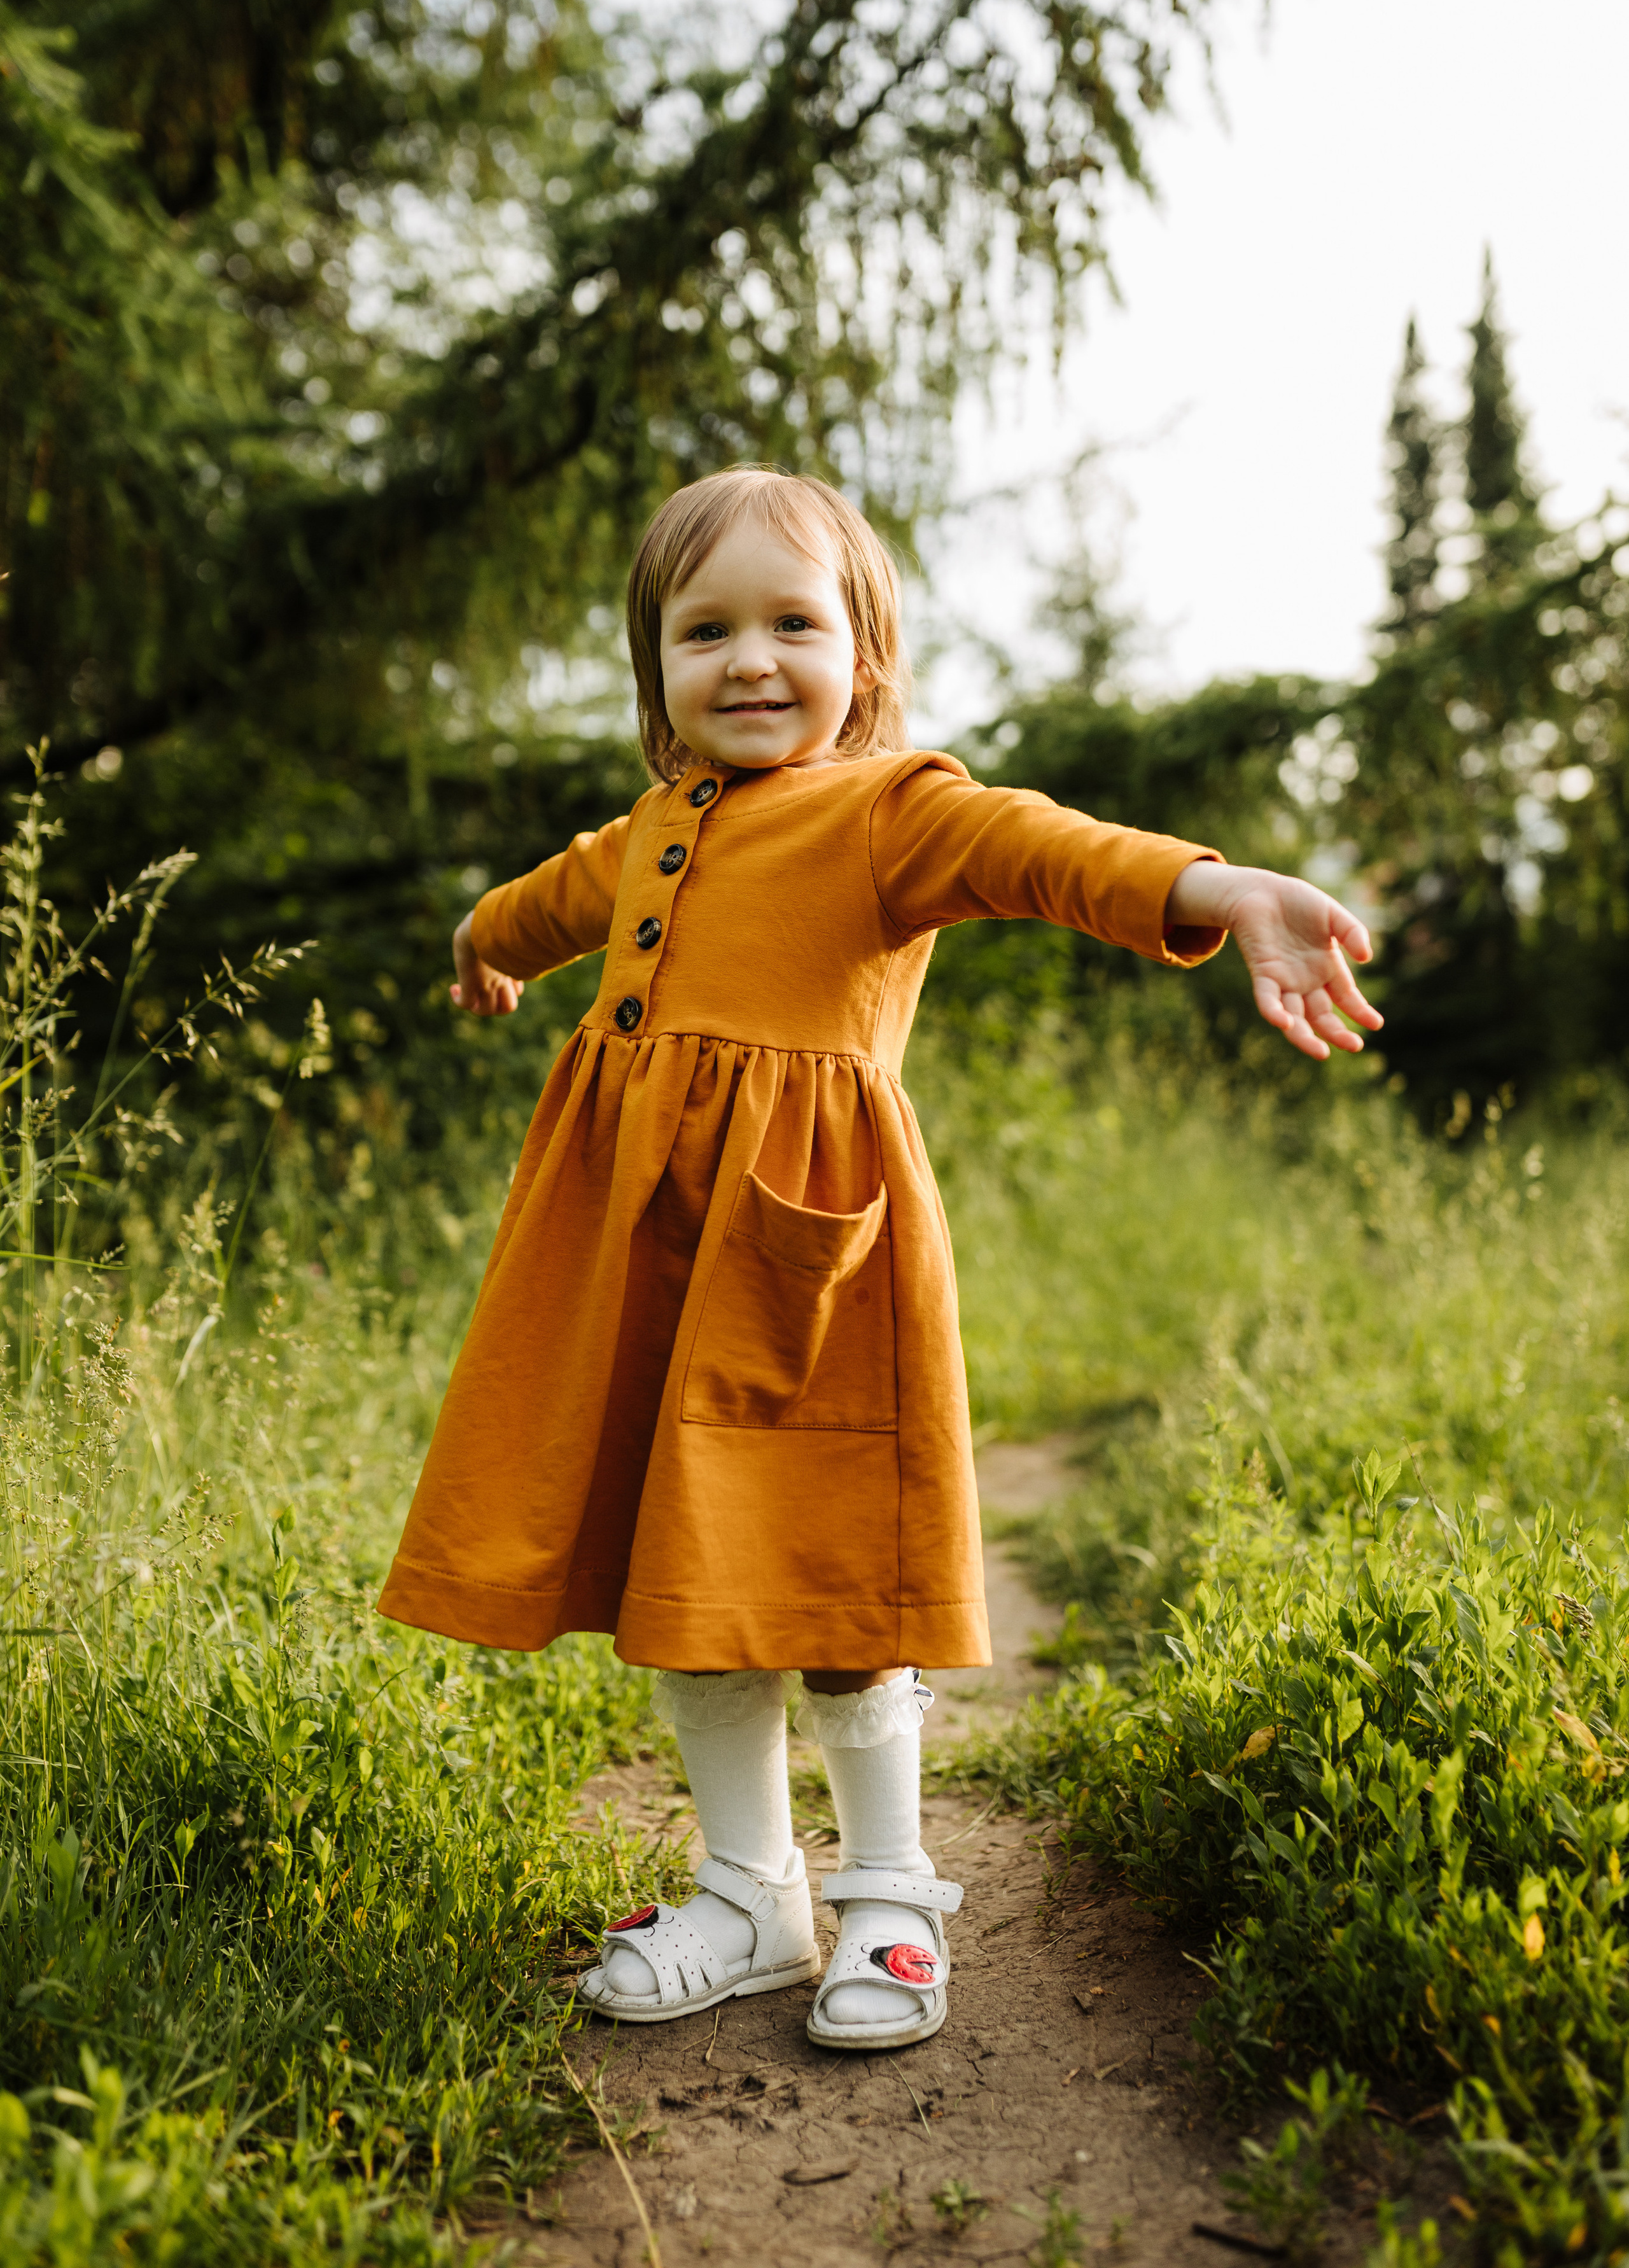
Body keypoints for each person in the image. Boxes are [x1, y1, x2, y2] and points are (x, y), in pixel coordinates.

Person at [377, 464, 1380, 2052]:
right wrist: (480, 948)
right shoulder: (650, 832)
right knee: (687, 1576)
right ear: (654, 664)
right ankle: (748, 1894)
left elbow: (1045, 851)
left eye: (793, 624)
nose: (749, 660)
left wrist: (1218, 885)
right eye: (704, 631)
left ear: (863, 654)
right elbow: (540, 904)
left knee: (836, 1579)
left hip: (807, 1267)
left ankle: (892, 1891)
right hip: (641, 1264)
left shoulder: (888, 809)